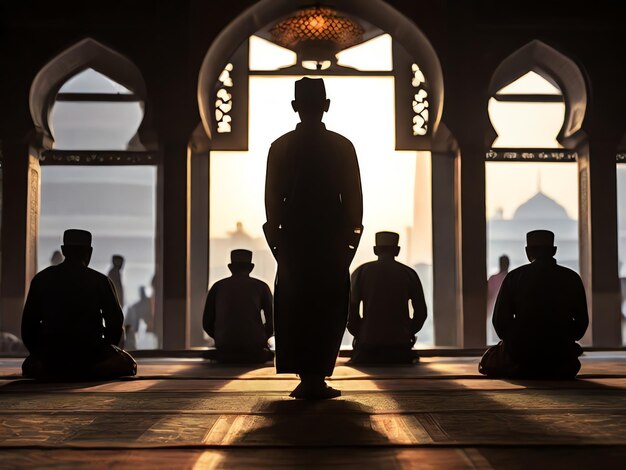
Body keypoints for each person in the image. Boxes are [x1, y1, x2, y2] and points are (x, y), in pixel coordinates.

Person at [264, 77, 363, 399]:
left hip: (293, 240)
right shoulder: (341, 146)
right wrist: (348, 244)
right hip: (331, 241)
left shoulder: (280, 147)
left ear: (295, 107)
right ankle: (317, 375)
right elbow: (353, 202)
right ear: (326, 106)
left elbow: (271, 202)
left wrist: (278, 244)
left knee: (296, 305)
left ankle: (306, 376)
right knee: (328, 305)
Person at [21, 229, 137, 380]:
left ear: (63, 250)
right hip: (91, 354)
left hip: (51, 355)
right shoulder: (100, 281)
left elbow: (28, 327)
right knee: (128, 364)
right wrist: (106, 349)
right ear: (89, 252)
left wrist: (39, 353)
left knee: (30, 366)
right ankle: (92, 370)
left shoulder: (42, 279)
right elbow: (115, 323)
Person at [479, 230, 588, 379]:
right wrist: (563, 337)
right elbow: (582, 323)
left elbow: (499, 322)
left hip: (521, 356)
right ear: (554, 251)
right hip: (560, 358)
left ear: (527, 251)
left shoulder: (514, 277)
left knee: (490, 359)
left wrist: (517, 339)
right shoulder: (572, 278)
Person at [348, 232, 427, 364]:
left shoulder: (361, 272)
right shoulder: (409, 274)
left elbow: (350, 312)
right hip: (400, 347)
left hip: (368, 347)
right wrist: (407, 331)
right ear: (397, 250)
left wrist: (362, 333)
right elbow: (421, 312)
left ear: (375, 250)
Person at [202, 249, 274, 363]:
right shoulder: (261, 287)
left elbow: (207, 322)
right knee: (267, 355)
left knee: (215, 354)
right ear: (251, 267)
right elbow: (273, 321)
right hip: (253, 346)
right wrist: (262, 337)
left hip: (225, 345)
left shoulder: (218, 287)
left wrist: (220, 337)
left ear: (230, 267)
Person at [487, 255, 509, 344]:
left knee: (495, 338)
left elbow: (489, 296)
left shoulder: (493, 278)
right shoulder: (509, 278)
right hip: (506, 312)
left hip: (493, 311)